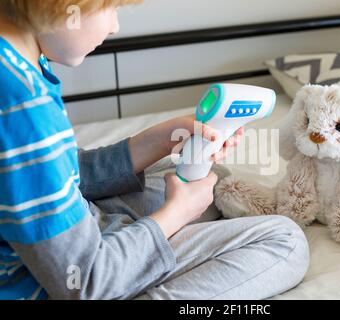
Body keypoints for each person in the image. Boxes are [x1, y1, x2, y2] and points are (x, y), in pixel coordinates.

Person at [0, 0, 309, 300]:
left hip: (75, 230)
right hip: (82, 273)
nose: (114, 27)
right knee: (285, 239)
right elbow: (85, 282)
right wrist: (176, 213)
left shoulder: (18, 62)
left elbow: (58, 175)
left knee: (212, 178)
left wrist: (155, 142)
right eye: (113, 7)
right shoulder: (24, 106)